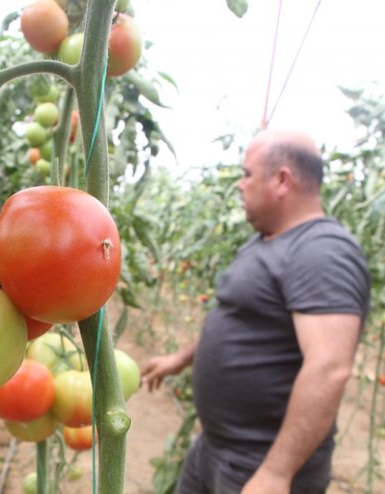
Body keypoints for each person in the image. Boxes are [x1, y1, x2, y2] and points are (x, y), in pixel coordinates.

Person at [141, 129, 371, 494]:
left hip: (259, 463)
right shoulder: (265, 242)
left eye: (247, 173)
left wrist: (277, 473)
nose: (239, 185)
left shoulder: (321, 251)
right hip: (217, 449)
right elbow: (238, 321)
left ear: (282, 180)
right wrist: (180, 359)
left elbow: (329, 368)